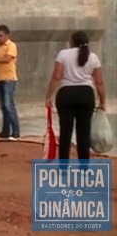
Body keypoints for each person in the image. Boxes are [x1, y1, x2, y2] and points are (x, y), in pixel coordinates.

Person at [45, 31, 106, 160]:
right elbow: (99, 82)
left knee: (65, 132)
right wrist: (102, 101)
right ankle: (84, 168)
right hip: (86, 95)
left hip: (66, 95)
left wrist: (48, 96)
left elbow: (57, 77)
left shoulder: (63, 54)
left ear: (72, 41)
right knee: (83, 133)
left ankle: (63, 167)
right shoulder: (93, 57)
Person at [0, 24, 20, 140]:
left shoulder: (11, 45)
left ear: (7, 35)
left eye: (0, 36)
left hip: (9, 79)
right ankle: (6, 131)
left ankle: (16, 131)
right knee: (3, 107)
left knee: (9, 105)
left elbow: (7, 59)